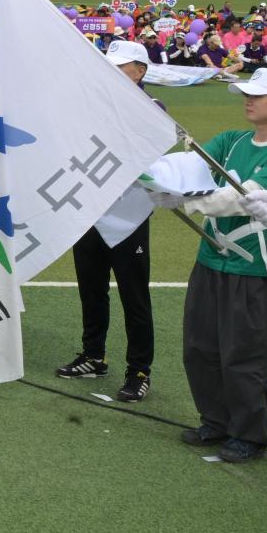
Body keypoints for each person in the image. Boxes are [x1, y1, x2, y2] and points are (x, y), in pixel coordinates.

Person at [164, 67, 267, 463]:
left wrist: (183, 199)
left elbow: (238, 198)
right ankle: (215, 421)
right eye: (245, 94)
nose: (248, 101)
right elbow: (188, 170)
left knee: (246, 354)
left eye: (258, 95)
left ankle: (250, 434)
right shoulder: (231, 141)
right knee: (200, 347)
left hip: (254, 267)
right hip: (211, 258)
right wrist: (156, 176)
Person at [54, 41, 157, 401]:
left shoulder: (152, 109)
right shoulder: (93, 107)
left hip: (128, 217)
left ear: (140, 71)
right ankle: (93, 355)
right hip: (89, 212)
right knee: (91, 289)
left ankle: (139, 370)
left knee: (134, 297)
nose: (111, 72)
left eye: (121, 66)